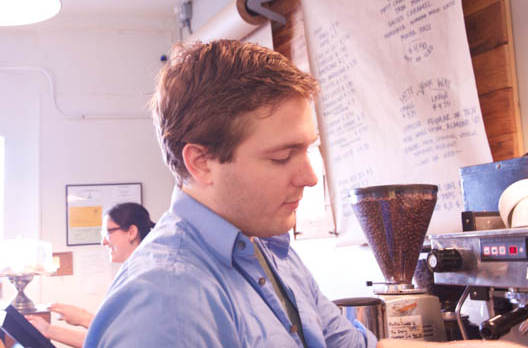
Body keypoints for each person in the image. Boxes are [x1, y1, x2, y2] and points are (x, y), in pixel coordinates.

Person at [84, 40, 524, 348]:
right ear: (201, 162)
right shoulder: (166, 302)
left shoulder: (269, 250)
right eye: (282, 156)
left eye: (308, 149)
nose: (311, 177)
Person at [27, 202, 154, 348]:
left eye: (108, 233)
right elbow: (108, 340)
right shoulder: (132, 274)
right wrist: (48, 330)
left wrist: (84, 318)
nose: (103, 242)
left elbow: (129, 340)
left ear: (132, 232)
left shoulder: (146, 279)